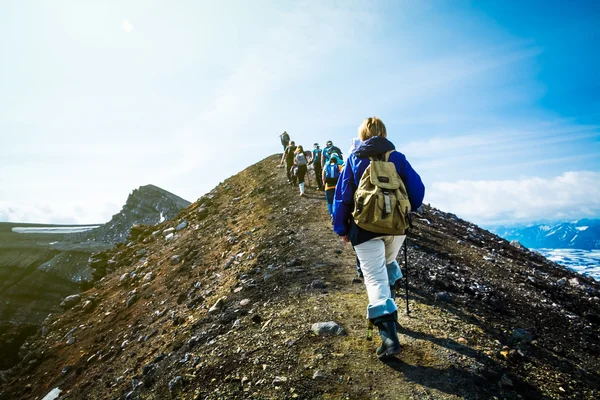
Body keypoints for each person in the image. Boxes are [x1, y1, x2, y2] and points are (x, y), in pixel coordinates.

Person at [333, 117, 425, 359]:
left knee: (374, 278)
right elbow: (417, 193)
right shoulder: (397, 158)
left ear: (362, 135)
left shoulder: (354, 159)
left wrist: (341, 228)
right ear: (384, 133)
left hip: (364, 229)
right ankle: (391, 300)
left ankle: (389, 338)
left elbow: (343, 197)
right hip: (395, 228)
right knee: (387, 264)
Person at [323, 154, 343, 219]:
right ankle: (336, 214)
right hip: (337, 186)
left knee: (330, 202)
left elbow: (323, 175)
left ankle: (331, 214)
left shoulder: (326, 166)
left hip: (328, 187)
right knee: (336, 200)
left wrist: (324, 183)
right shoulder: (339, 166)